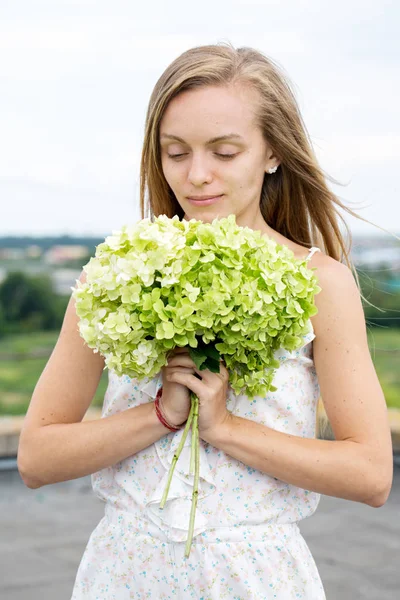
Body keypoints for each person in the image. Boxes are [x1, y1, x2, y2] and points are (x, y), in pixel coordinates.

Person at [18, 43, 393, 599]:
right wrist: (160, 415)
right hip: (124, 576)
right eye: (175, 152)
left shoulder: (322, 284)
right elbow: (36, 458)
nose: (197, 176)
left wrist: (225, 428)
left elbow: (370, 474)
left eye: (224, 151)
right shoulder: (115, 274)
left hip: (256, 579)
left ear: (272, 153)